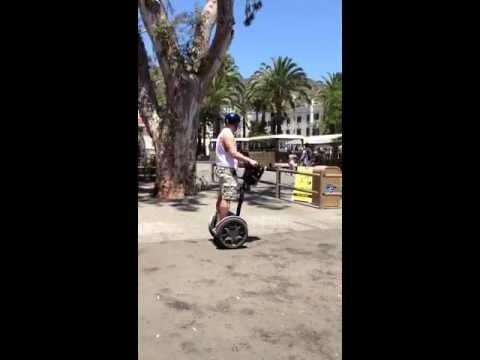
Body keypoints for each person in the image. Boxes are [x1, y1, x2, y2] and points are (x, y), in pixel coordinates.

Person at [215, 113, 258, 221]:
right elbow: (233, 153)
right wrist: (249, 160)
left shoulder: (223, 133)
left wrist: (242, 163)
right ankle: (222, 224)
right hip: (226, 170)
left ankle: (219, 220)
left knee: (222, 196)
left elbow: (229, 155)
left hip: (223, 168)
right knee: (226, 198)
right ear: (236, 124)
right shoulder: (228, 134)